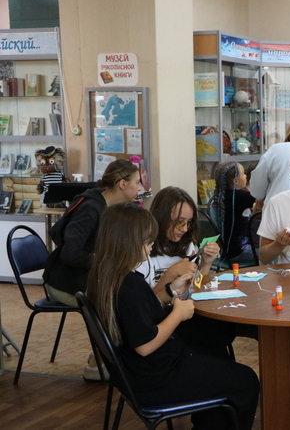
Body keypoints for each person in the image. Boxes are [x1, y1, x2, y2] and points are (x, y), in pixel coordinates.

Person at [85, 203, 259, 430]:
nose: (151, 246)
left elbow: (138, 315)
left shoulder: (105, 276)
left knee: (215, 345)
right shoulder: (129, 285)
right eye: (147, 241)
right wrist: (178, 314)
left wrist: (169, 292)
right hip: (155, 378)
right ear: (128, 242)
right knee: (246, 381)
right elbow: (145, 345)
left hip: (139, 372)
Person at [136, 186, 236, 352]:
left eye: (189, 223)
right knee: (216, 334)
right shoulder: (144, 251)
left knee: (222, 331)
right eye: (179, 222)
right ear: (161, 217)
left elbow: (195, 287)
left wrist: (205, 263)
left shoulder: (187, 244)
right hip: (161, 322)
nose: (184, 229)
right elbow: (145, 305)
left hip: (185, 312)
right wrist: (172, 273)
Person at [44, 159, 141, 307]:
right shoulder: (90, 209)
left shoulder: (110, 206)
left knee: (134, 289)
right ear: (122, 184)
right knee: (123, 301)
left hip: (85, 278)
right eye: (137, 182)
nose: (139, 188)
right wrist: (107, 260)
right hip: (66, 284)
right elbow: (70, 254)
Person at [210, 162, 256, 266]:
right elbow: (263, 199)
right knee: (271, 253)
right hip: (240, 252)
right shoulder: (241, 197)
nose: (246, 176)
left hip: (226, 252)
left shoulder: (222, 196)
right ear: (235, 181)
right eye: (243, 174)